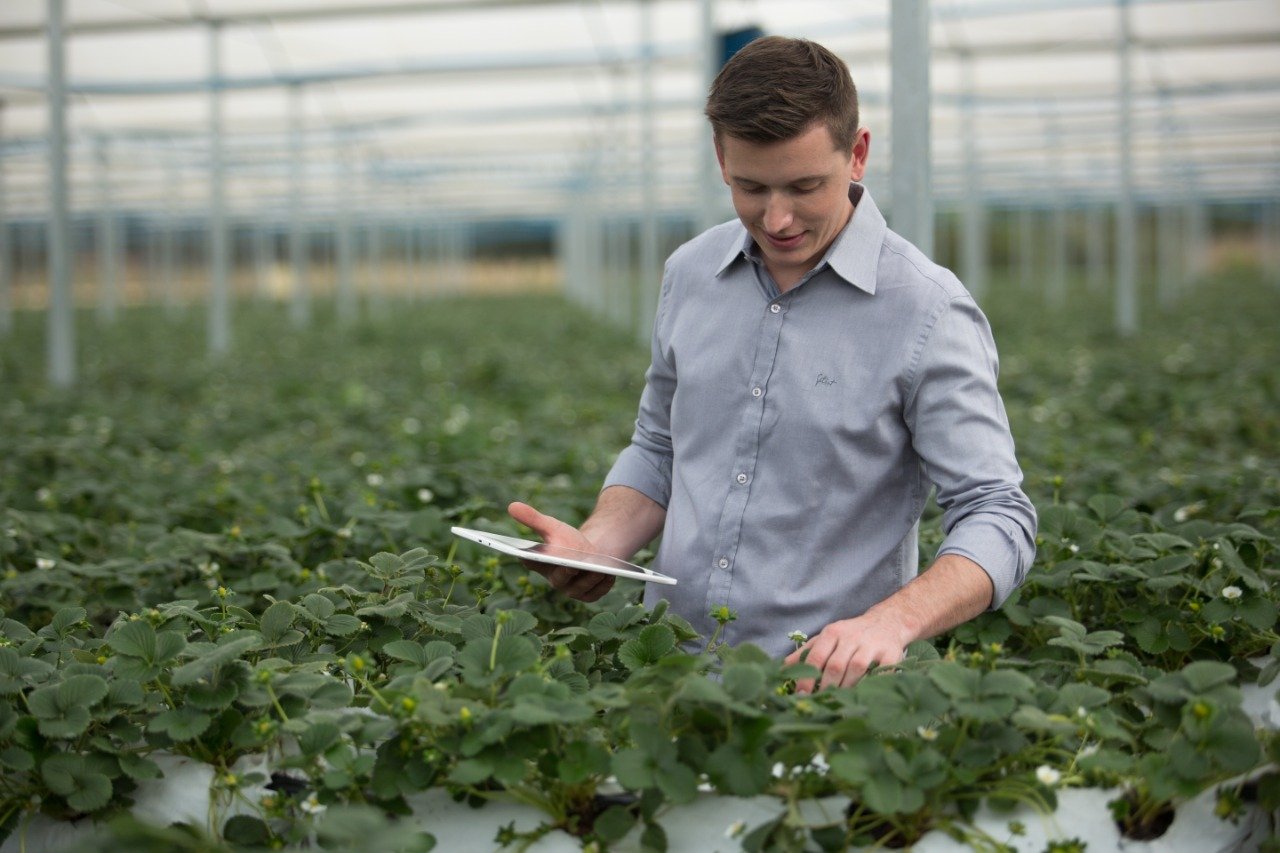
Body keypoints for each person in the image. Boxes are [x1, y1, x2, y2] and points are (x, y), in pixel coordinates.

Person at [509, 35, 1036, 693]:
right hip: (666, 677)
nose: (777, 217)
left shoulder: (925, 309)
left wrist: (888, 624)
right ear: (720, 160)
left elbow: (996, 512)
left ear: (858, 155)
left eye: (805, 186)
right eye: (750, 187)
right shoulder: (691, 273)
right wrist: (600, 542)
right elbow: (660, 449)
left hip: (824, 692)